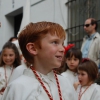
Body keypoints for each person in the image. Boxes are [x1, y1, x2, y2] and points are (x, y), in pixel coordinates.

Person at [2, 22, 77, 100]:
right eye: (55, 42)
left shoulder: (65, 83)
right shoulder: (17, 88)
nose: (62, 49)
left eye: (62, 43)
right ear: (33, 49)